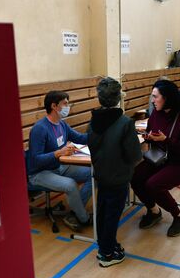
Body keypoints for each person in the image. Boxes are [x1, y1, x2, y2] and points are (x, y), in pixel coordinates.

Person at [131, 80, 180, 237]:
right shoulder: (156, 113)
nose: (152, 100)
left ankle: (178, 216)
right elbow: (151, 133)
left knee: (153, 185)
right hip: (159, 158)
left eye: (155, 97)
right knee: (134, 177)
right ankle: (154, 211)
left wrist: (165, 140)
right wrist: (148, 137)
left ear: (167, 98)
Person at [87, 77, 142, 267]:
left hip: (101, 175)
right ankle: (107, 254)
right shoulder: (125, 123)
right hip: (118, 176)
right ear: (118, 97)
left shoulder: (93, 120)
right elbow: (134, 154)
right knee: (112, 215)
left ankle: (105, 244)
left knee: (103, 212)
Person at [28, 90, 92, 230]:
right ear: (54, 106)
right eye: (65, 104)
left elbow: (81, 138)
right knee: (70, 185)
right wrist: (58, 153)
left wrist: (100, 132)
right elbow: (35, 160)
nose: (68, 107)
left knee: (93, 174)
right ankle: (83, 218)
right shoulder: (40, 129)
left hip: (59, 167)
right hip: (39, 173)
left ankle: (75, 212)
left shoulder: (62, 124)